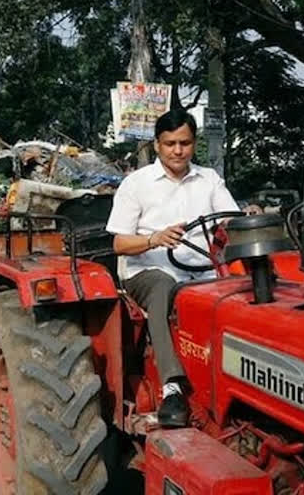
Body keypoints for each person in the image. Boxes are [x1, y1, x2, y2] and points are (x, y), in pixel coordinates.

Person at [106, 109, 239, 427]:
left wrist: (242, 218)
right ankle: (172, 387)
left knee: (245, 294)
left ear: (194, 144)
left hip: (204, 271)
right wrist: (154, 238)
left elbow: (230, 220)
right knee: (164, 287)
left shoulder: (209, 180)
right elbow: (120, 245)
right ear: (157, 145)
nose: (178, 151)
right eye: (170, 144)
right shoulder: (136, 184)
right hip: (147, 271)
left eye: (185, 143)